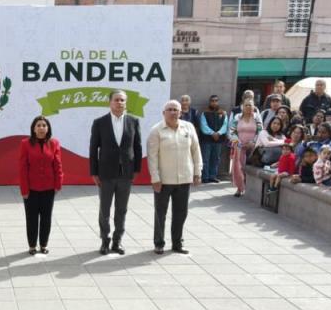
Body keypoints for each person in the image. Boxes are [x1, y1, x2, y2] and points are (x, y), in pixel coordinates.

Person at [89, 90, 142, 254]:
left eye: (122, 100)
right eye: (116, 100)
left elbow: (137, 147)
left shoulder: (133, 121)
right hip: (106, 173)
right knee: (104, 210)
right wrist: (94, 172)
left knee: (122, 209)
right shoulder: (99, 122)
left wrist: (137, 169)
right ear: (109, 102)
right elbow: (93, 149)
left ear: (126, 103)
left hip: (126, 173)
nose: (120, 103)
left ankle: (117, 241)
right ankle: (105, 240)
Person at [146, 99, 201, 255]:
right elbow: (152, 156)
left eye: (176, 110)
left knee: (181, 213)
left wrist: (198, 172)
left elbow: (196, 151)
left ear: (181, 112)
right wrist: (155, 178)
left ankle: (177, 243)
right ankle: (159, 243)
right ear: (163, 113)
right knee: (160, 213)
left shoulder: (188, 127)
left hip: (184, 178)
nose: (173, 112)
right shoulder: (156, 131)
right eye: (169, 109)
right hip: (163, 180)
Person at [18, 115, 63, 255]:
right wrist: (24, 189)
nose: (41, 128)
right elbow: (22, 167)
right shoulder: (25, 143)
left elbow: (58, 165)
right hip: (31, 189)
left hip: (49, 188)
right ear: (33, 128)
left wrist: (58, 184)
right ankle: (32, 245)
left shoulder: (54, 143)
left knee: (46, 218)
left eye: (44, 125)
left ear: (48, 128)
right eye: (38, 125)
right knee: (31, 218)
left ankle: (44, 245)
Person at [228, 99, 260, 197]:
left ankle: (249, 187)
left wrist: (253, 142)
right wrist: (237, 142)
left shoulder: (257, 118)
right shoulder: (238, 117)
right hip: (239, 146)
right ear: (242, 107)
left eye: (250, 105)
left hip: (253, 146)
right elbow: (231, 131)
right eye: (246, 105)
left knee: (250, 166)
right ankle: (239, 187)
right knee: (238, 167)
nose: (248, 107)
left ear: (254, 107)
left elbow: (260, 132)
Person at [198, 94, 227, 183]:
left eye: (216, 101)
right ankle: (205, 177)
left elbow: (225, 125)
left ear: (218, 101)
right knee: (205, 159)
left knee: (216, 159)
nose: (214, 102)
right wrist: (212, 133)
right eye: (212, 101)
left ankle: (213, 176)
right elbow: (203, 126)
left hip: (218, 140)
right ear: (210, 102)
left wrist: (218, 133)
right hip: (206, 140)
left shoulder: (223, 113)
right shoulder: (205, 113)